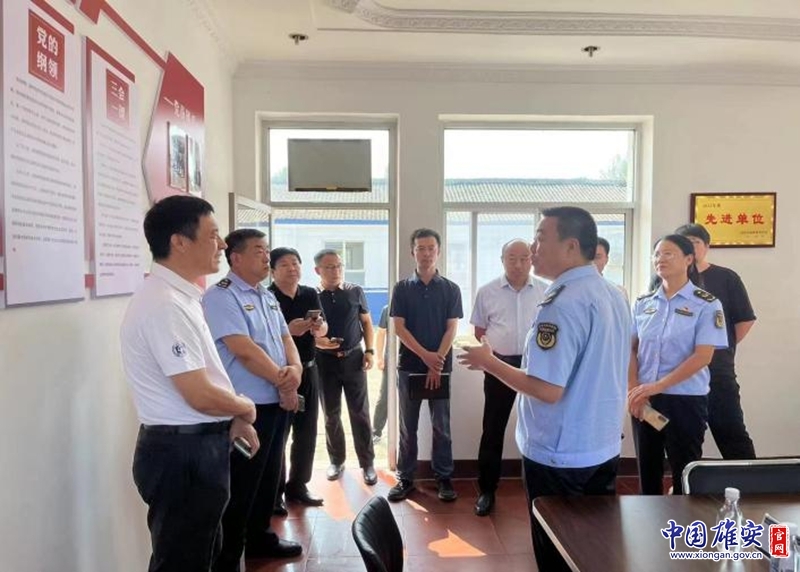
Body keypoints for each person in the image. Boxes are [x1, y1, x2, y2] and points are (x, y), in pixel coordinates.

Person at [458, 207, 630, 572]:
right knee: (593, 549)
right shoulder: (612, 293)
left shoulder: (561, 303)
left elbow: (547, 389)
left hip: (560, 454)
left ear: (571, 246)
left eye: (540, 239)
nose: (533, 249)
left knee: (557, 553)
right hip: (602, 444)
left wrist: (489, 362)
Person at [120, 195, 259, 572]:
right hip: (181, 456)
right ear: (179, 242)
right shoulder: (164, 304)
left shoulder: (182, 297)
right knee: (182, 563)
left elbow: (205, 380)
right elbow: (198, 393)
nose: (223, 244)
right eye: (213, 235)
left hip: (195, 448)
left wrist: (232, 417)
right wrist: (245, 407)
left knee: (201, 555)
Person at [202, 229, 303, 570]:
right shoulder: (221, 297)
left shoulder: (266, 296)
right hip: (246, 411)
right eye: (259, 250)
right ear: (236, 258)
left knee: (268, 478)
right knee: (242, 482)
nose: (266, 256)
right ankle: (230, 555)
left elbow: (285, 338)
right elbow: (243, 350)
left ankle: (261, 537)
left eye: (267, 250)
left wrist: (295, 370)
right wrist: (284, 383)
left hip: (275, 403)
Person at [629, 234, 728, 495]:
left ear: (688, 259)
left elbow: (703, 356)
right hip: (646, 400)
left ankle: (684, 521)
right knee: (648, 471)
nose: (660, 259)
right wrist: (634, 391)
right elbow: (631, 350)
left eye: (668, 253)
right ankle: (648, 520)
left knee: (685, 474)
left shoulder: (707, 304)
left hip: (685, 401)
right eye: (657, 254)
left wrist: (658, 386)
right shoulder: (643, 304)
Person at [470, 239, 547, 517]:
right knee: (493, 428)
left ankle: (542, 492)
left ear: (532, 259)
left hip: (537, 367)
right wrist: (492, 358)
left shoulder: (547, 290)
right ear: (502, 259)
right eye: (512, 258)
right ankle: (487, 490)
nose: (518, 264)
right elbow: (480, 331)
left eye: (524, 258)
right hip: (499, 366)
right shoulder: (487, 291)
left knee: (541, 428)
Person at [388, 228, 463, 503]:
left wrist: (436, 361)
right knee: (407, 426)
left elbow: (451, 328)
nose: (426, 253)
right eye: (421, 248)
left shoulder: (451, 289)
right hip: (409, 366)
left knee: (441, 425)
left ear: (438, 251)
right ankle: (406, 477)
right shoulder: (402, 288)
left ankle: (443, 477)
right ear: (413, 252)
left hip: (440, 368)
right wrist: (426, 357)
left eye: (431, 248)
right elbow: (399, 328)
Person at [675, 223, 757, 459]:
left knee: (731, 432)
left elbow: (744, 321)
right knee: (684, 438)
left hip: (717, 371)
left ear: (707, 246)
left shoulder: (726, 278)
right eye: (684, 244)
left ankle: (750, 481)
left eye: (695, 242)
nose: (690, 248)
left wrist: (716, 346)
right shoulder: (666, 279)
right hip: (679, 373)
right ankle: (686, 482)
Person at [268, 247, 326, 508]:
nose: (292, 268)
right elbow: (267, 337)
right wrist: (290, 330)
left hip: (309, 369)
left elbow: (323, 327)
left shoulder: (310, 293)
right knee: (279, 434)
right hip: (280, 373)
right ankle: (275, 492)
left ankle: (298, 486)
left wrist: (318, 327)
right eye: (284, 264)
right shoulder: (267, 297)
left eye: (295, 263)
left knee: (307, 431)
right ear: (272, 271)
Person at [314, 249, 378, 485]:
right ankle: (336, 460)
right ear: (318, 270)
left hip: (354, 359)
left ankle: (367, 463)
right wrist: (319, 342)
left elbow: (367, 323)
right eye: (330, 267)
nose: (336, 271)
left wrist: (370, 350)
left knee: (360, 412)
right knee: (331, 413)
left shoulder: (355, 291)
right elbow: (308, 331)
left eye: (339, 266)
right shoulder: (311, 295)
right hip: (324, 361)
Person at [371, 304, 390, 443]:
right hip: (391, 360)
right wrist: (379, 357)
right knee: (385, 396)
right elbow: (381, 333)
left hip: (410, 360)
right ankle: (376, 431)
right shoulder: (387, 309)